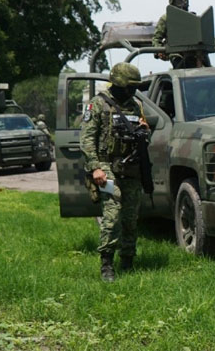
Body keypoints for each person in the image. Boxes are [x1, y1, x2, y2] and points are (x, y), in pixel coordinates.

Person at [80, 62, 149, 282]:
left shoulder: (136, 106)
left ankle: (128, 261)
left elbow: (142, 135)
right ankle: (107, 265)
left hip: (131, 167)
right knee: (112, 216)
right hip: (106, 165)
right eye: (130, 86)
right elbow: (87, 139)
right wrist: (95, 168)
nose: (133, 90)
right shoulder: (98, 104)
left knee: (130, 218)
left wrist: (144, 132)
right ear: (119, 83)